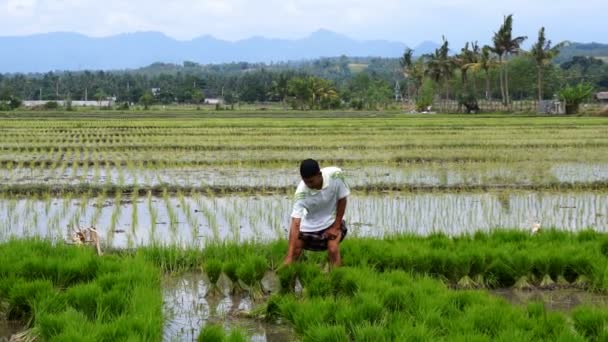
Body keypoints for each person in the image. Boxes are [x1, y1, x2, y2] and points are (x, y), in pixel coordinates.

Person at [283, 159, 350, 267]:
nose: (308, 185)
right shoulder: (301, 193)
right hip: (310, 225)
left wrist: (336, 226)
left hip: (333, 220)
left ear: (319, 174)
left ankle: (336, 277)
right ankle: (289, 272)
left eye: (311, 181)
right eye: (305, 181)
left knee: (333, 248)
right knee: (295, 249)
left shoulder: (336, 175)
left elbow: (342, 198)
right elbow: (296, 222)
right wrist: (289, 256)